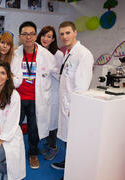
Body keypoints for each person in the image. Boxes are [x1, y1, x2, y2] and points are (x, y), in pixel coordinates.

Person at [51, 21, 94, 171]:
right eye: (62, 34)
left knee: (74, 139)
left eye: (68, 33)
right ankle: (68, 163)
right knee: (68, 138)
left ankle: (72, 171)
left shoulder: (83, 54)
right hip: (66, 103)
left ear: (75, 32)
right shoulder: (68, 53)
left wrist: (74, 106)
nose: (64, 36)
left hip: (73, 105)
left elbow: (82, 85)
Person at [16, 21, 56, 169]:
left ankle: (33, 154)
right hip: (18, 98)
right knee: (14, 128)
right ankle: (13, 153)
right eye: (25, 34)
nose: (28, 37)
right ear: (20, 36)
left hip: (36, 99)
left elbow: (57, 73)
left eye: (32, 34)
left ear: (35, 35)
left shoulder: (45, 54)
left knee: (34, 130)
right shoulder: (15, 54)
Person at [36, 26, 64, 161]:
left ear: (53, 39)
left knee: (51, 121)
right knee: (43, 120)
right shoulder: (37, 52)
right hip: (41, 92)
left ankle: (53, 146)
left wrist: (50, 70)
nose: (45, 38)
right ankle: (47, 143)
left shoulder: (58, 54)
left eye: (49, 36)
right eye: (43, 35)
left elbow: (60, 75)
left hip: (53, 92)